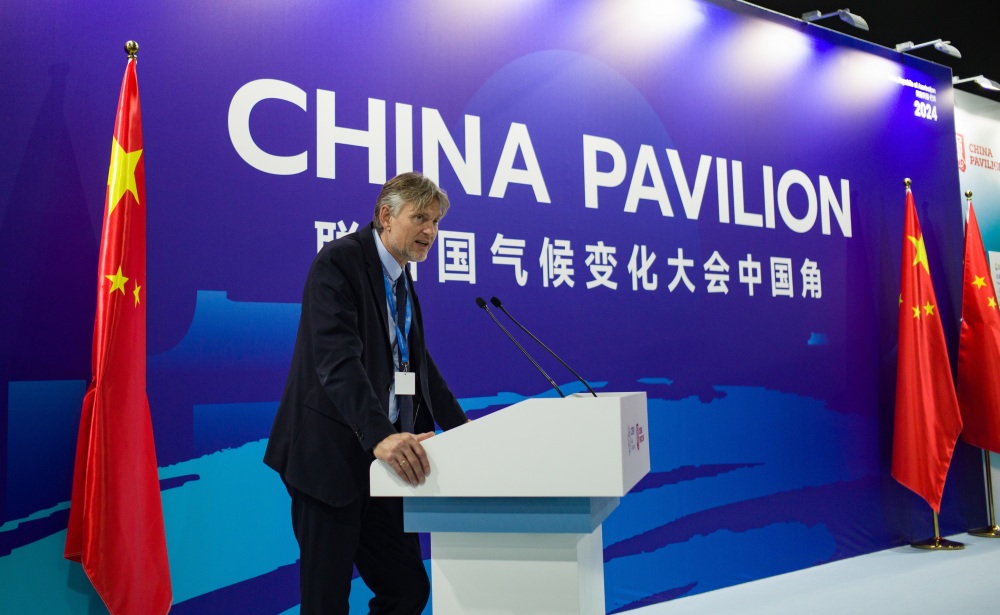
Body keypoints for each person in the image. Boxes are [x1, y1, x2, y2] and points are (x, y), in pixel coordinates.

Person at [264, 171, 469, 614]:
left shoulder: (402, 280)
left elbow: (419, 366)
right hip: (330, 458)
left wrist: (465, 432)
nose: (431, 232)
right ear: (385, 216)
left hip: (382, 463)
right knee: (326, 603)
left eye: (436, 222)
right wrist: (381, 436)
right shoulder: (339, 263)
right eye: (420, 218)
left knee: (407, 589)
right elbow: (337, 360)